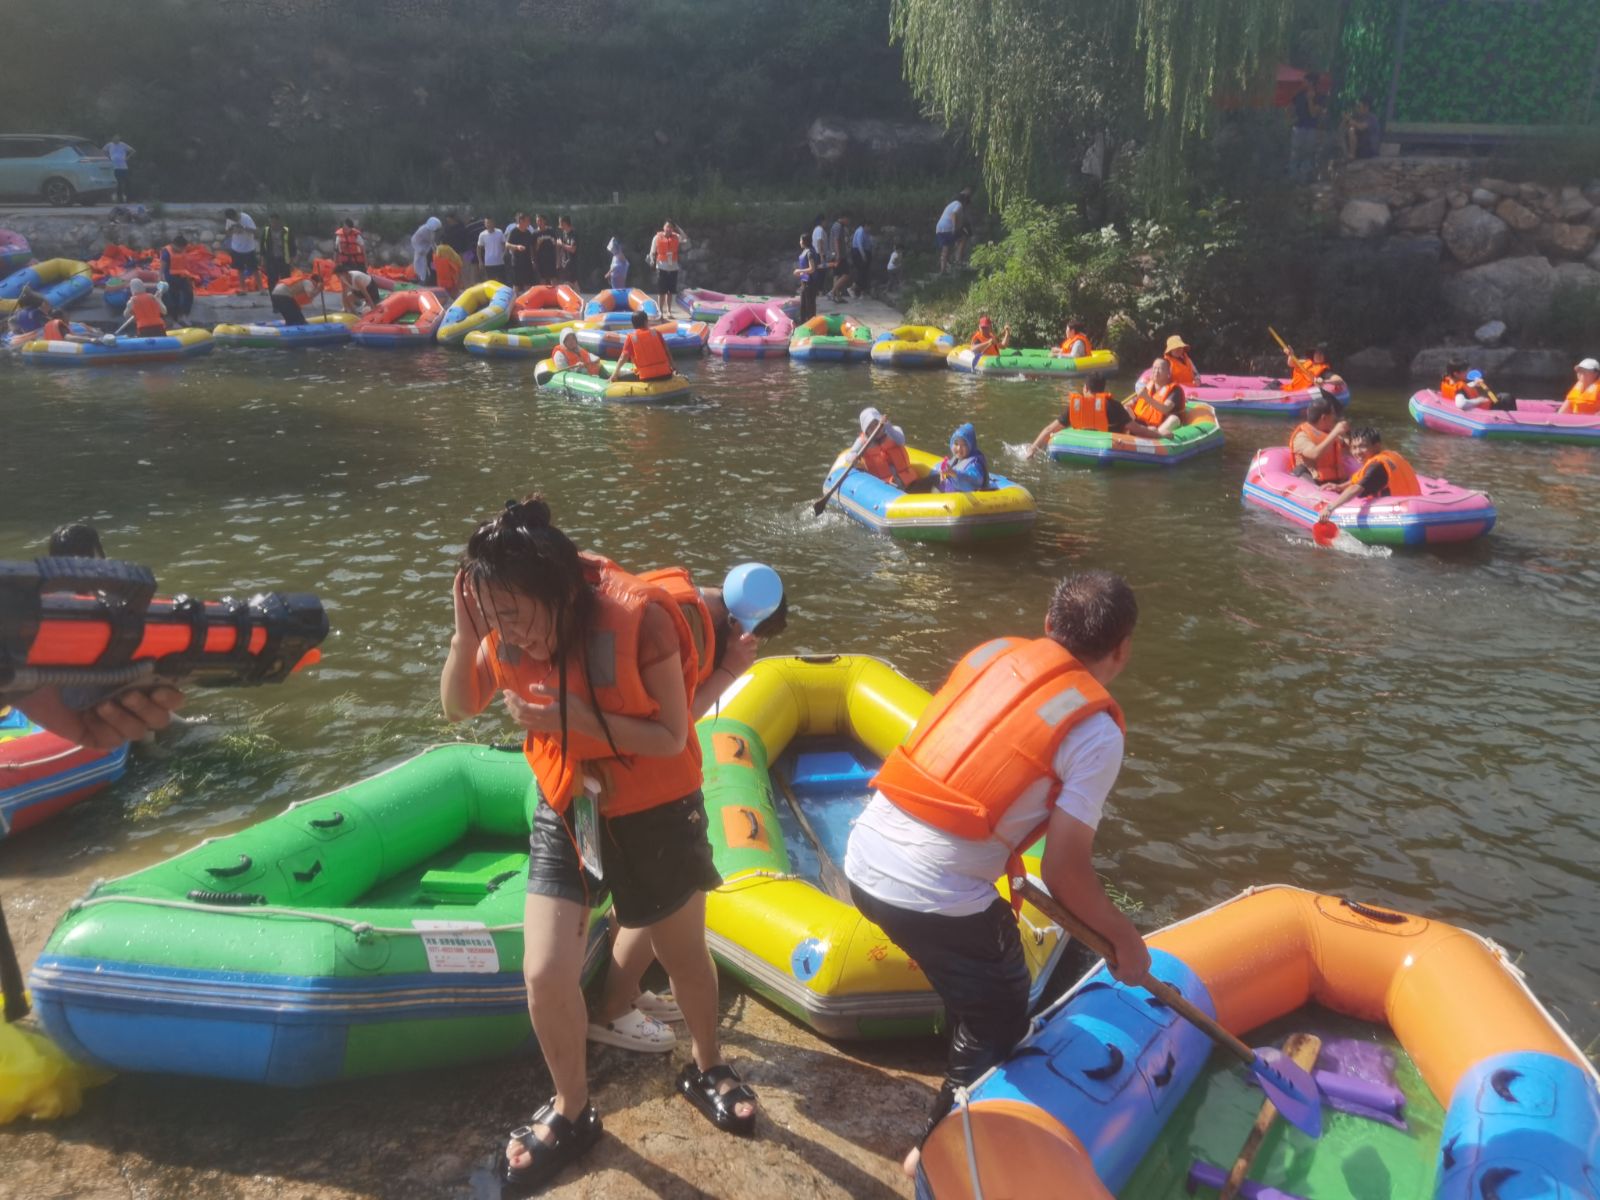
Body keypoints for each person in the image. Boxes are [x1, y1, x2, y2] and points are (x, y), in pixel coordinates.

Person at [440, 496, 758, 1194]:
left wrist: (574, 717)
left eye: (515, 615)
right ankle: (573, 1110)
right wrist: (467, 635)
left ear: (559, 593)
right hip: (567, 805)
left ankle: (706, 1064)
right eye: (491, 614)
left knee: (682, 954)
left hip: (656, 809)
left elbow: (671, 735)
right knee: (544, 972)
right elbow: (459, 706)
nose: (507, 631)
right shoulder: (499, 622)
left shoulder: (639, 619)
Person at [843, 570, 1151, 1179]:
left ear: (1048, 624)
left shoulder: (992, 655)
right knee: (1002, 1015)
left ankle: (963, 1038)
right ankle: (933, 1153)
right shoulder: (1095, 732)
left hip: (863, 856)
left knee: (977, 983)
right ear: (1122, 650)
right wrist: (1125, 941)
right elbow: (1065, 870)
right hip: (933, 896)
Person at [589, 562, 788, 1049]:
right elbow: (678, 723)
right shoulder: (691, 627)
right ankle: (613, 1011)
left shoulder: (676, 597)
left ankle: (627, 993)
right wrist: (731, 669)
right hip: (650, 792)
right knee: (666, 905)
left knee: (643, 901)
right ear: (744, 625)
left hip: (620, 782)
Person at [1026, 373, 1153, 457]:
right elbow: (1136, 429)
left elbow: (1050, 429)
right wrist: (1159, 436)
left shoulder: (1076, 406)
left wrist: (1032, 449)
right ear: (1103, 389)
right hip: (1109, 449)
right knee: (1139, 423)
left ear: (1085, 388)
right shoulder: (1114, 406)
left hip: (1078, 447)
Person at [1319, 427, 1421, 517]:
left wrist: (1330, 508)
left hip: (1401, 512)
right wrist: (1340, 487)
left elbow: (1356, 489)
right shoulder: (1389, 456)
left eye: (1362, 446)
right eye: (1354, 447)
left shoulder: (1377, 466)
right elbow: (1361, 478)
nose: (1357, 452)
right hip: (1416, 504)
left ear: (1376, 446)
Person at [1288, 395, 1350, 485]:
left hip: (1334, 481)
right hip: (1314, 481)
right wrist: (1335, 433)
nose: (1335, 417)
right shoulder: (1301, 436)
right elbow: (1314, 454)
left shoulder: (1328, 433)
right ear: (1324, 418)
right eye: (1333, 414)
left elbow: (1348, 449)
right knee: (1301, 471)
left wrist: (1346, 435)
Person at [848, 406, 915, 489]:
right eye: (870, 427)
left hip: (908, 481)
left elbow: (901, 441)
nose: (875, 428)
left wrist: (888, 426)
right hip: (885, 487)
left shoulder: (893, 431)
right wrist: (853, 458)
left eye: (876, 424)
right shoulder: (862, 442)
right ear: (866, 431)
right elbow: (849, 455)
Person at [1127, 358, 1185, 436]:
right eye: (1154, 368)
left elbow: (1165, 409)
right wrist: (1125, 406)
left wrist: (1147, 398)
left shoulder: (1175, 390)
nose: (1156, 371)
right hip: (1142, 423)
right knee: (1125, 408)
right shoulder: (1148, 385)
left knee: (1174, 419)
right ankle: (1126, 431)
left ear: (1168, 373)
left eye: (1160, 369)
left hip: (1160, 426)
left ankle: (1156, 436)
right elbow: (1134, 401)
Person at [613, 311, 674, 382]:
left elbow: (623, 357)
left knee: (620, 375)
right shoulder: (656, 333)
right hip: (666, 374)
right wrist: (674, 367)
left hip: (646, 377)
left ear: (633, 324)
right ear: (646, 321)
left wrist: (614, 374)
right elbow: (666, 350)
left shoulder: (632, 338)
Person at [1290, 71, 1326, 183]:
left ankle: (1304, 178)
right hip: (1298, 127)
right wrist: (1290, 116)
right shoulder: (1298, 95)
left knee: (1308, 153)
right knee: (1296, 152)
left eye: (1305, 81)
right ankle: (1293, 177)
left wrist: (1310, 100)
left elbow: (1313, 114)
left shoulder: (1319, 97)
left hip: (1311, 128)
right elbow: (1292, 109)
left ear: (1311, 82)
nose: (1303, 83)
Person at [648, 222, 685, 318]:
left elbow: (685, 238)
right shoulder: (657, 237)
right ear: (663, 227)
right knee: (661, 291)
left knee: (670, 292)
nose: (669, 229)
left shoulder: (676, 237)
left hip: (673, 268)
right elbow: (652, 251)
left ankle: (668, 311)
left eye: (671, 227)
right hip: (661, 267)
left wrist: (678, 228)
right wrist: (652, 261)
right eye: (667, 226)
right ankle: (660, 311)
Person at [938, 424, 989, 492]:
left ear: (971, 446)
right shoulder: (956, 460)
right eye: (956, 444)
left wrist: (954, 473)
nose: (959, 448)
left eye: (964, 445)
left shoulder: (975, 464)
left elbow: (974, 479)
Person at [159, 235, 195, 326]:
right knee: (174, 298)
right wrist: (161, 279)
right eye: (181, 248)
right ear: (175, 245)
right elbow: (162, 267)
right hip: (170, 278)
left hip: (182, 276)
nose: (182, 250)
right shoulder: (166, 252)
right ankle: (174, 320)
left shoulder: (182, 250)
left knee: (189, 293)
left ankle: (184, 315)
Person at [936, 188, 972, 273]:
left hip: (939, 229)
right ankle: (958, 260)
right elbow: (954, 214)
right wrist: (954, 227)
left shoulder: (952, 204)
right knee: (963, 238)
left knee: (945, 249)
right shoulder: (958, 204)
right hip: (948, 228)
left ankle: (943, 270)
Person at [222, 209, 259, 293]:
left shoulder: (246, 218)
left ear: (236, 215)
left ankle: (261, 289)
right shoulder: (229, 220)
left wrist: (243, 227)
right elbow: (227, 233)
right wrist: (231, 229)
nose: (234, 221)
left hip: (249, 248)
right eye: (232, 220)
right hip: (236, 248)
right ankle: (243, 289)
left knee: (254, 269)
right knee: (240, 269)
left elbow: (255, 231)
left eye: (234, 219)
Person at [793, 233, 822, 323]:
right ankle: (803, 324)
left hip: (810, 284)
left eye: (800, 240)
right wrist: (801, 273)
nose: (800, 242)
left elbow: (812, 269)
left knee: (810, 307)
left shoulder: (809, 252)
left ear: (804, 241)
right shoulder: (806, 251)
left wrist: (799, 271)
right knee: (803, 306)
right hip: (805, 283)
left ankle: (811, 325)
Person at [1341, 95, 1380, 161]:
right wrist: (1345, 120)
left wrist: (1350, 120)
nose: (1356, 108)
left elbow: (1361, 127)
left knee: (1351, 130)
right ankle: (1348, 154)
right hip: (1359, 149)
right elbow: (1340, 130)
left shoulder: (1372, 118)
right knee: (1348, 130)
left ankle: (1352, 155)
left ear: (1366, 107)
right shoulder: (1356, 117)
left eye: (1359, 106)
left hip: (1368, 150)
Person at [262, 213, 293, 293]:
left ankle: (285, 295)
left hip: (284, 259)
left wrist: (292, 260)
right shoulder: (266, 231)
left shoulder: (286, 231)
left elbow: (292, 246)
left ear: (279, 221)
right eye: (271, 222)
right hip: (271, 259)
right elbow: (262, 247)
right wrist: (263, 261)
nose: (273, 224)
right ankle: (273, 295)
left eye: (274, 222)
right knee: (272, 279)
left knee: (286, 279)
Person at [441, 214, 475, 285]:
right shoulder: (449, 229)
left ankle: (467, 286)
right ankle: (459, 286)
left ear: (453, 219)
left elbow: (467, 240)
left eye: (449, 220)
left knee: (465, 271)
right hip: (454, 253)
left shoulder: (461, 228)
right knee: (456, 271)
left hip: (464, 252)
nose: (448, 222)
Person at [507, 213, 538, 291]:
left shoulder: (528, 233)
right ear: (521, 221)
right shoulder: (514, 232)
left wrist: (533, 260)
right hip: (517, 262)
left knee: (527, 284)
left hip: (527, 262)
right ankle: (515, 298)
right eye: (527, 221)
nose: (529, 223)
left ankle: (527, 299)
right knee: (516, 284)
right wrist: (517, 247)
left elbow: (531, 247)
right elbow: (507, 244)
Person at [827, 213, 852, 303]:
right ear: (844, 218)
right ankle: (832, 292)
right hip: (839, 255)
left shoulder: (837, 226)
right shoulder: (838, 226)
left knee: (836, 275)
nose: (848, 222)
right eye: (848, 220)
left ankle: (837, 296)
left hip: (835, 255)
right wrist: (838, 254)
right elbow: (836, 240)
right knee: (846, 274)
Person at [103, 136, 135, 203]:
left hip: (123, 167)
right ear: (112, 139)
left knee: (128, 183)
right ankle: (120, 199)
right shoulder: (109, 145)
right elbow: (103, 150)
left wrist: (127, 158)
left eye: (117, 139)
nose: (116, 140)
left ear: (119, 139)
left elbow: (133, 151)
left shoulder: (122, 144)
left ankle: (129, 198)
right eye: (114, 139)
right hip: (115, 167)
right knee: (119, 183)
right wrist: (108, 157)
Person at [411, 217, 442, 285]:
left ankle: (432, 280)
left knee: (432, 265)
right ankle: (423, 281)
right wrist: (420, 250)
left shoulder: (430, 231)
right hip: (422, 251)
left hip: (428, 251)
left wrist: (436, 250)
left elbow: (432, 242)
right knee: (421, 267)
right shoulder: (423, 230)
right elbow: (414, 240)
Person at [478, 217, 508, 284]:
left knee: (502, 282)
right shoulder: (482, 235)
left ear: (493, 223)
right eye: (487, 223)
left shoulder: (499, 232)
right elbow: (479, 248)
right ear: (485, 224)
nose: (489, 224)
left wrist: (504, 254)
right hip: (489, 263)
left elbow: (504, 244)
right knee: (491, 283)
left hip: (500, 262)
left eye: (490, 222)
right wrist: (480, 261)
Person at [533, 215, 559, 286]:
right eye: (537, 221)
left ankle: (555, 293)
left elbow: (556, 245)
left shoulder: (551, 231)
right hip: (540, 260)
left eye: (540, 220)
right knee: (542, 279)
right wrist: (538, 244)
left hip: (551, 259)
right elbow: (534, 249)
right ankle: (543, 293)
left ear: (545, 221)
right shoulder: (535, 233)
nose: (539, 222)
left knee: (553, 278)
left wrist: (558, 259)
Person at [850, 219, 874, 298]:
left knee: (865, 273)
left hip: (866, 252)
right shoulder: (860, 231)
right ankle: (853, 288)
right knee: (861, 272)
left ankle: (862, 292)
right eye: (869, 227)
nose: (870, 229)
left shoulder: (866, 233)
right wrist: (863, 255)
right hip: (859, 253)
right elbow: (859, 244)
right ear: (866, 225)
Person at [810, 214, 829, 295]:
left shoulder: (817, 230)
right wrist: (821, 256)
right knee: (820, 273)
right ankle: (819, 290)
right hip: (819, 254)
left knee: (820, 272)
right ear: (822, 221)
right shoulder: (819, 230)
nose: (826, 222)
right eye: (825, 221)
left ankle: (819, 290)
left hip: (818, 253)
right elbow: (819, 242)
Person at [557, 216, 579, 285]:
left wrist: (561, 244)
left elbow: (573, 249)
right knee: (566, 284)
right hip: (565, 265)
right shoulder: (564, 233)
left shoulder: (574, 234)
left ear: (564, 223)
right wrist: (559, 262)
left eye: (560, 223)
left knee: (574, 284)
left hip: (573, 265)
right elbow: (562, 249)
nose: (559, 226)